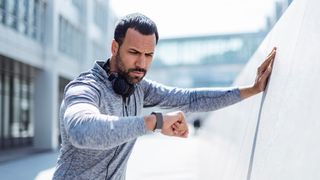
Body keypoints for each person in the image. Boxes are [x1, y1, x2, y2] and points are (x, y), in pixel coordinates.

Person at [53, 13, 276, 180]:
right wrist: (155, 122)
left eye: (149, 55)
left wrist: (252, 89)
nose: (141, 63)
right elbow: (82, 131)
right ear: (114, 47)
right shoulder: (85, 88)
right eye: (133, 53)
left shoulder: (138, 87)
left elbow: (191, 99)